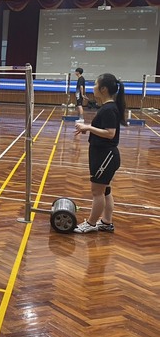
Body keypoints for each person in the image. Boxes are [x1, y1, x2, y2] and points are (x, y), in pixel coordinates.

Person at [73, 73, 127, 233]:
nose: (93, 87)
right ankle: (106, 222)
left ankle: (90, 224)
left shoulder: (109, 109)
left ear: (103, 89)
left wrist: (88, 127)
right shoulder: (107, 107)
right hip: (103, 155)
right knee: (105, 191)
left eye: (95, 84)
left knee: (97, 192)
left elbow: (110, 133)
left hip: (105, 156)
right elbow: (104, 131)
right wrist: (89, 130)